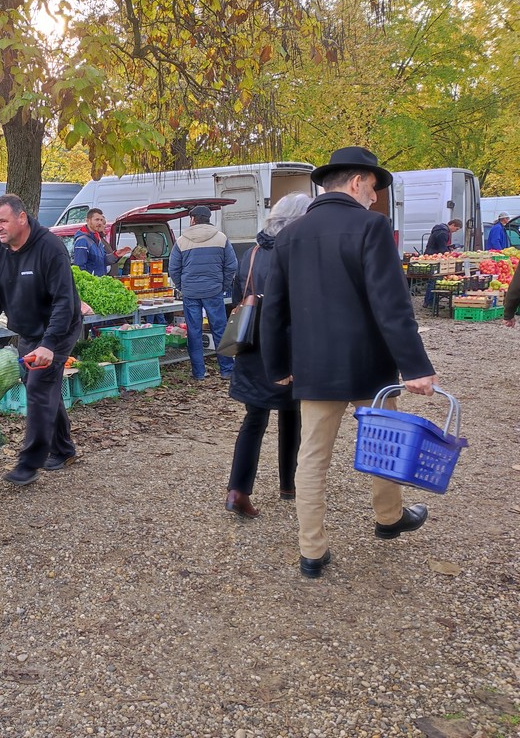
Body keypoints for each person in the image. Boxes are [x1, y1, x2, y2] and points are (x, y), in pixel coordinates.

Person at [260, 146, 438, 579]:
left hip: (314, 368)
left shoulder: (288, 236)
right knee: (385, 445)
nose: (375, 197)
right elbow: (392, 306)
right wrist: (415, 367)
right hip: (369, 369)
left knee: (313, 458)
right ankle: (389, 518)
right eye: (374, 187)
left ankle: (311, 551)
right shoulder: (371, 227)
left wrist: (277, 364)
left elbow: (274, 310)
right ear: (357, 181)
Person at [0, 193, 83, 485]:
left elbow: (64, 302)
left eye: (3, 221)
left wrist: (49, 344)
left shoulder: (50, 249)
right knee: (41, 387)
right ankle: (63, 449)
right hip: (28, 330)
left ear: (22, 218)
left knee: (38, 385)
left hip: (58, 329)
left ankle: (28, 463)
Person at [224, 193, 312, 518]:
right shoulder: (298, 254)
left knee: (254, 419)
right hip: (288, 346)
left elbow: (236, 296)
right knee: (292, 414)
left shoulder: (251, 252)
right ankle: (290, 483)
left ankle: (238, 491)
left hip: (251, 345)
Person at [168, 204, 237, 381]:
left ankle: (199, 372)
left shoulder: (182, 240)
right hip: (213, 290)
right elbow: (231, 266)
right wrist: (223, 285)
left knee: (194, 331)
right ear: (208, 219)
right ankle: (227, 369)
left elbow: (174, 268)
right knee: (220, 329)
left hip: (190, 292)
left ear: (193, 219)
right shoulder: (221, 238)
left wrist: (182, 286)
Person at [73, 208, 130, 276]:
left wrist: (116, 255)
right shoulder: (82, 241)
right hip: (91, 284)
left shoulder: (98, 239)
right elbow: (79, 269)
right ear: (88, 220)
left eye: (101, 220)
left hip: (99, 282)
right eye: (97, 220)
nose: (100, 223)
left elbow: (102, 260)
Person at [422, 219, 463, 308]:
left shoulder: (439, 229)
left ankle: (428, 302)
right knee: (435, 280)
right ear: (452, 225)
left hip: (431, 255)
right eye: (456, 229)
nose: (455, 231)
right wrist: (449, 252)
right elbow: (442, 248)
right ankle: (431, 302)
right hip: (435, 257)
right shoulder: (443, 233)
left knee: (432, 279)